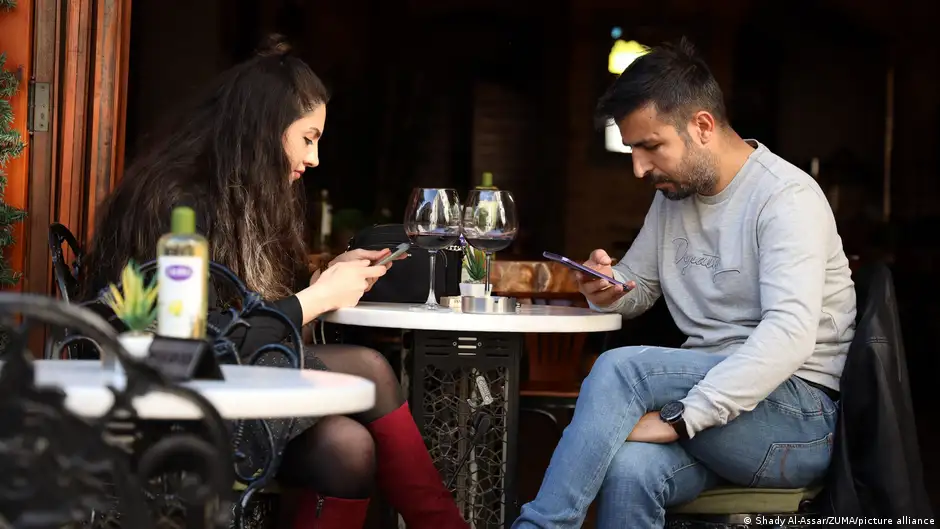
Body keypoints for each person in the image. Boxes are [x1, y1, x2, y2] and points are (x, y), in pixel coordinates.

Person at [80, 35, 468, 529]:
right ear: (265, 127)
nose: (314, 159)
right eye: (308, 137)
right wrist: (315, 299)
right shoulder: (174, 201)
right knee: (370, 366)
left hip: (227, 391)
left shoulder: (240, 196)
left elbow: (252, 320)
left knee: (348, 448)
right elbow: (190, 344)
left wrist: (323, 284)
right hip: (168, 406)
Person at [513, 38, 856, 529]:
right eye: (632, 149)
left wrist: (682, 418)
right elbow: (641, 286)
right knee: (630, 470)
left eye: (651, 147)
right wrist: (608, 286)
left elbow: (790, 335)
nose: (638, 168)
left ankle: (543, 525)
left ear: (701, 126)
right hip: (720, 406)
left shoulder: (787, 199)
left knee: (621, 369)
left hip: (798, 421)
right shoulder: (673, 196)